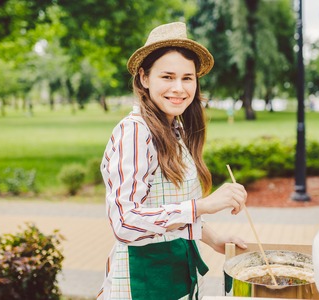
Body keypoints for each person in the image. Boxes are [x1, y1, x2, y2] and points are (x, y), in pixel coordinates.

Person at [96, 22, 248, 300]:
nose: (179, 88)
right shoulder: (135, 132)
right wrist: (204, 205)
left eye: (187, 78)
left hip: (176, 274)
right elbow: (125, 222)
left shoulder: (175, 130)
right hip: (141, 282)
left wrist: (214, 239)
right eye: (167, 77)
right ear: (144, 78)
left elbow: (166, 208)